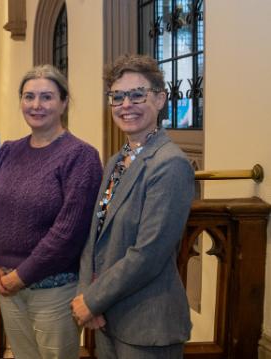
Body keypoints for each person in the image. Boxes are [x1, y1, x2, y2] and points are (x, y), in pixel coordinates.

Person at [72, 54, 194, 358]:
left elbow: (149, 253)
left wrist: (93, 300)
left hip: (147, 325)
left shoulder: (171, 164)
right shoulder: (117, 160)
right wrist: (88, 295)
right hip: (108, 318)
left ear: (161, 99)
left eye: (137, 94)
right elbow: (95, 234)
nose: (126, 105)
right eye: (118, 96)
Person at [0, 65, 102, 359]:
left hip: (54, 291)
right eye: (29, 96)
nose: (36, 105)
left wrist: (22, 275)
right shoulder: (8, 151)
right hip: (7, 286)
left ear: (63, 102)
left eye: (46, 97)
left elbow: (69, 232)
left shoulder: (80, 156)